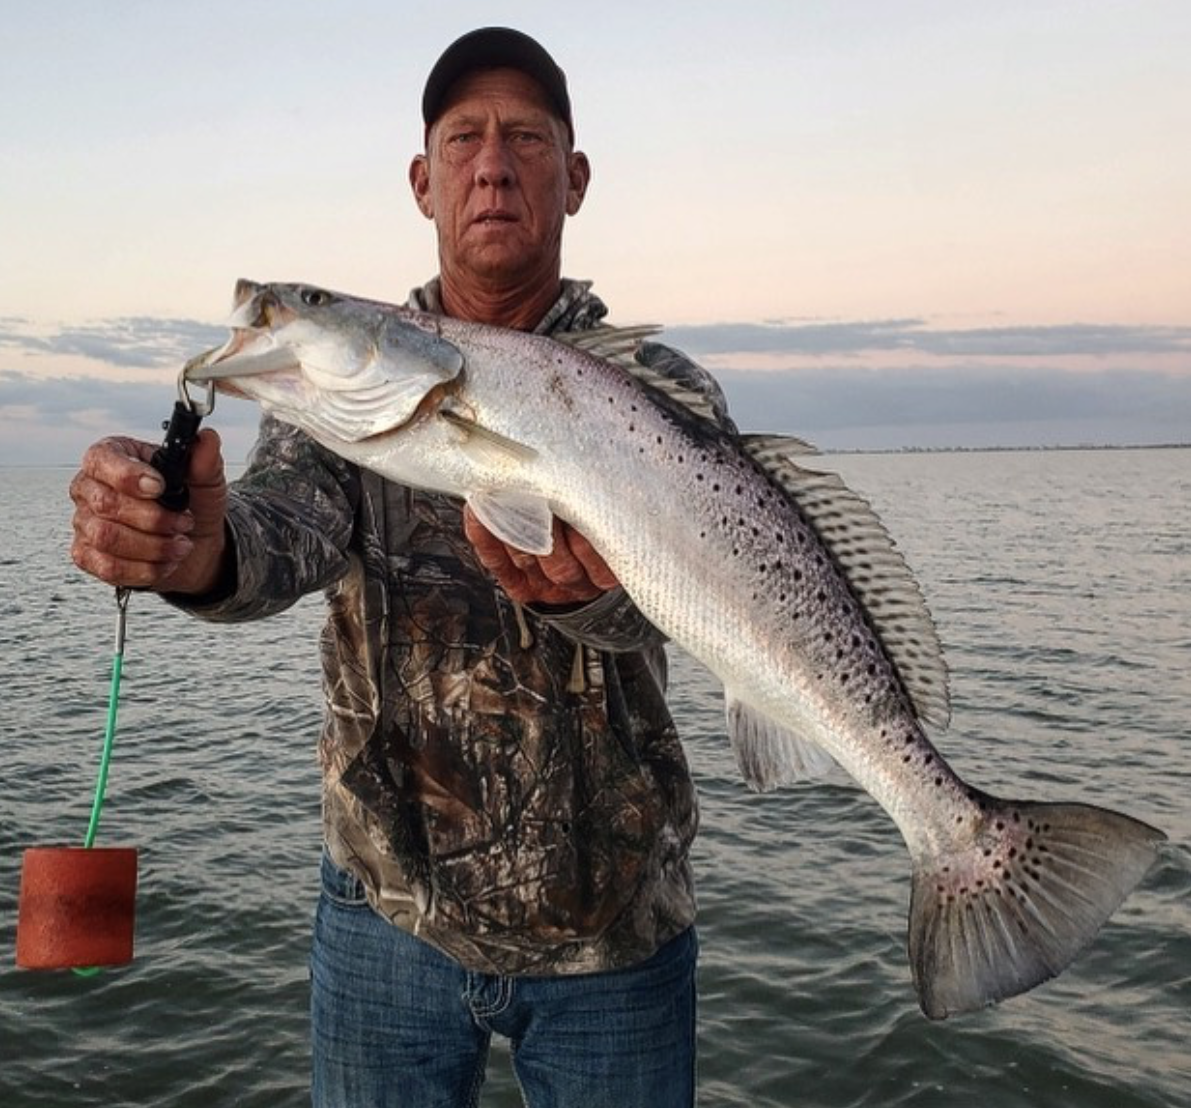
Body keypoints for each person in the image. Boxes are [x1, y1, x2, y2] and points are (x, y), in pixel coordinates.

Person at [70, 27, 734, 1108]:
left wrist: (605, 597)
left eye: (526, 136)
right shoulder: (344, 396)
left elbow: (693, 606)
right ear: (424, 183)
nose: (493, 163)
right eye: (463, 138)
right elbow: (280, 531)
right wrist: (197, 552)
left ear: (575, 177)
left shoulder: (664, 392)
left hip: (620, 928)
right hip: (390, 917)